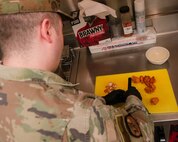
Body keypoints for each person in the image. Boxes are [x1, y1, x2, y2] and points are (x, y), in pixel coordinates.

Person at [0, 0, 154, 142]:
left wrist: (102, 101)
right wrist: (134, 102)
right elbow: (143, 136)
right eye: (61, 30)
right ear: (47, 31)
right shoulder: (77, 114)